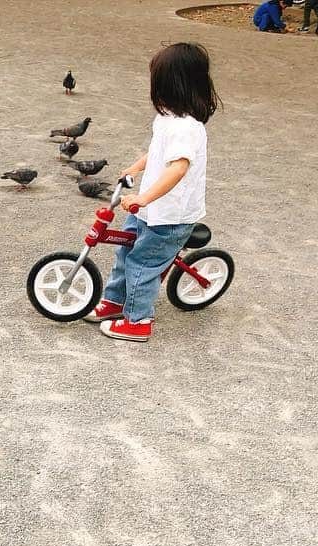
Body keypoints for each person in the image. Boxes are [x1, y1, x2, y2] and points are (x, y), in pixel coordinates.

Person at [83, 43, 219, 342]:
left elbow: (178, 168)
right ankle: (115, 302)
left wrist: (144, 197)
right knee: (126, 253)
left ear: (170, 85)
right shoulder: (167, 118)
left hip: (169, 216)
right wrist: (134, 169)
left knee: (142, 264)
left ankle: (138, 321)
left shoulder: (186, 128)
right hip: (148, 210)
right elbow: (156, 152)